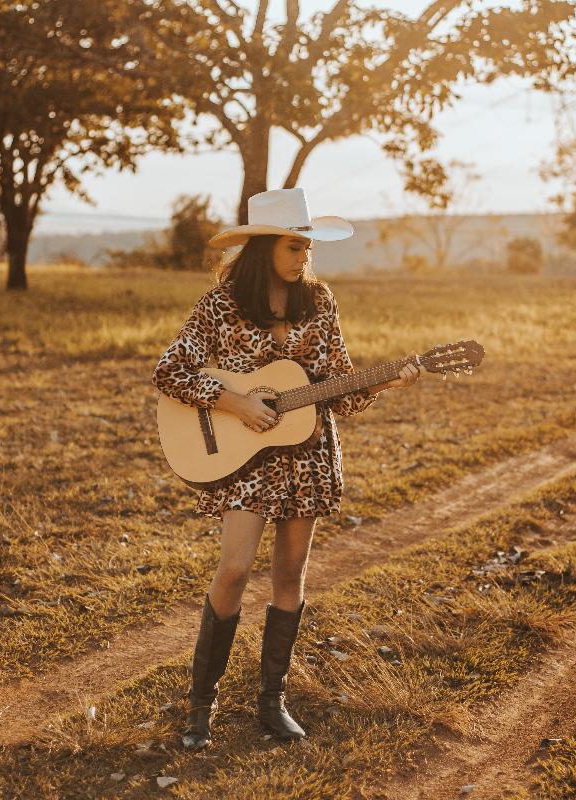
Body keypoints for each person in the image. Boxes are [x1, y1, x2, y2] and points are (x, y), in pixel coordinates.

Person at [151, 187, 421, 751]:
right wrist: (236, 402)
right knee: (234, 568)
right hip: (245, 459)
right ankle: (201, 706)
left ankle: (271, 703)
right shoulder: (221, 305)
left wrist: (385, 379)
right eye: (294, 246)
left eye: (308, 247)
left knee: (290, 573)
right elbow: (170, 370)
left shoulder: (319, 302)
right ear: (265, 247)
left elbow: (338, 391)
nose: (304, 257)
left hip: (308, 455)